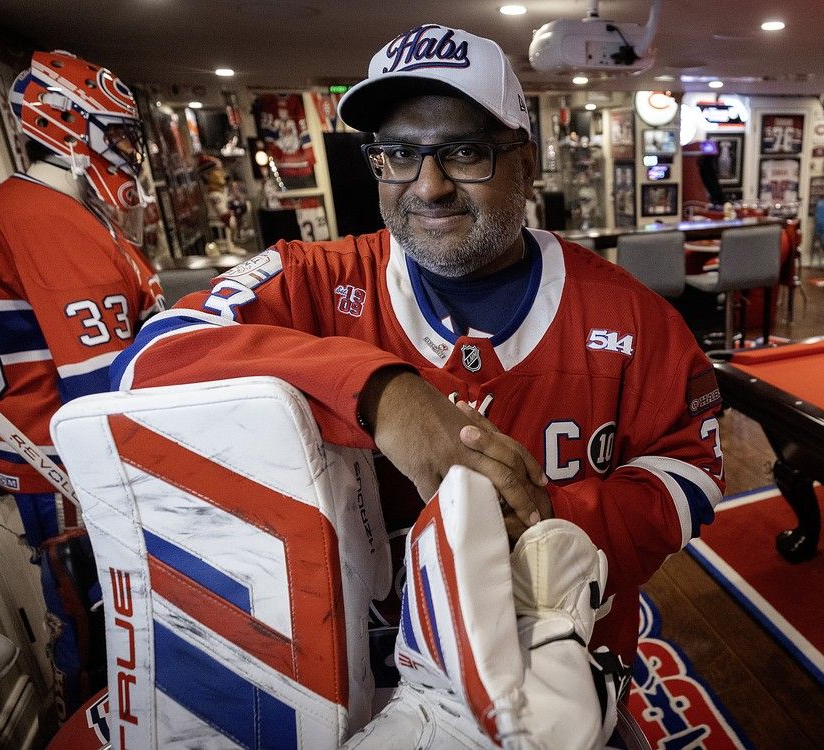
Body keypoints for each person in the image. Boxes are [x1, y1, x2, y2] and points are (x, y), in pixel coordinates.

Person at [112, 19, 723, 701]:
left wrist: (550, 520)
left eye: (463, 152)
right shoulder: (311, 277)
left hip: (560, 671)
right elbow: (149, 358)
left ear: (524, 161)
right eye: (399, 154)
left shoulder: (630, 314)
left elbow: (689, 474)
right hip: (357, 676)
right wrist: (378, 393)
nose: (427, 186)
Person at [0, 49, 164, 717]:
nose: (127, 152)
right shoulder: (47, 219)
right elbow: (106, 384)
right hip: (64, 478)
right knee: (100, 650)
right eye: (115, 135)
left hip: (49, 465)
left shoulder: (36, 209)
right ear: (66, 126)